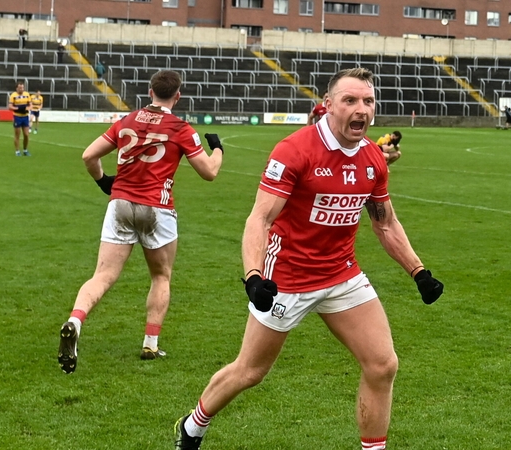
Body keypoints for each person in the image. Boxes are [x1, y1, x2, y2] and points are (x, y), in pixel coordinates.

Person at [173, 67, 444, 450]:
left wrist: (419, 272)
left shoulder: (373, 159)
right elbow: (260, 218)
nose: (361, 109)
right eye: (350, 100)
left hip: (341, 274)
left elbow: (386, 224)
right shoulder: (295, 150)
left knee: (383, 364)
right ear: (328, 105)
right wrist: (253, 276)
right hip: (288, 278)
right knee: (250, 371)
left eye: (368, 100)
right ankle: (193, 425)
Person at [57, 70, 225, 375]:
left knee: (103, 275)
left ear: (150, 92)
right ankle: (150, 342)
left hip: (120, 202)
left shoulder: (127, 121)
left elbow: (88, 156)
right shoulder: (181, 128)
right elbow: (209, 172)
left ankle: (75, 321)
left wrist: (104, 182)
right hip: (157, 208)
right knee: (161, 276)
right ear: (178, 96)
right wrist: (218, 149)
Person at [8, 82, 31, 156]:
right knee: (17, 135)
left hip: (25, 116)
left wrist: (27, 109)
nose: (22, 89)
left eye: (22, 87)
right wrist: (18, 109)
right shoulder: (13, 95)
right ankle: (17, 151)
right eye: (20, 88)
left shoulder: (27, 94)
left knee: (26, 134)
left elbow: (30, 105)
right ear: (17, 88)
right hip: (17, 117)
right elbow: (10, 107)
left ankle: (25, 150)